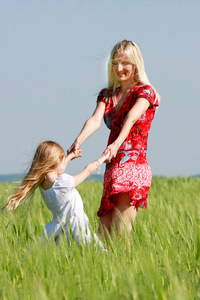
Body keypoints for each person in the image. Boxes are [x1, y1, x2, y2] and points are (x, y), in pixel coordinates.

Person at [68, 40, 160, 240]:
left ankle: (126, 271)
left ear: (136, 64)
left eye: (125, 63)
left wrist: (117, 144)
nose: (119, 68)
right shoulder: (108, 94)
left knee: (120, 234)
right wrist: (79, 140)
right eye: (115, 63)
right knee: (103, 236)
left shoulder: (145, 92)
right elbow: (95, 119)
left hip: (133, 167)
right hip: (112, 166)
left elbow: (132, 117)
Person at [2, 141, 108, 249]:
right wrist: (103, 158)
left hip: (58, 228)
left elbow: (56, 170)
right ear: (55, 163)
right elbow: (88, 170)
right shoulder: (63, 183)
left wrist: (70, 156)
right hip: (76, 227)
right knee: (94, 252)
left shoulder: (43, 184)